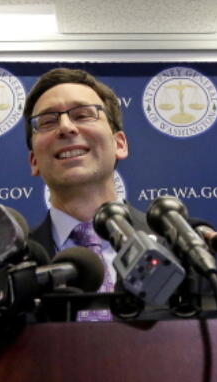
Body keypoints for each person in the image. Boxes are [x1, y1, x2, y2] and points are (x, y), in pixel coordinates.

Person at [24, 68, 141, 319]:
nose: (65, 128)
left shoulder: (181, 249)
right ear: (34, 161)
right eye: (47, 121)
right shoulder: (11, 265)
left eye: (83, 115)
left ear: (119, 144)